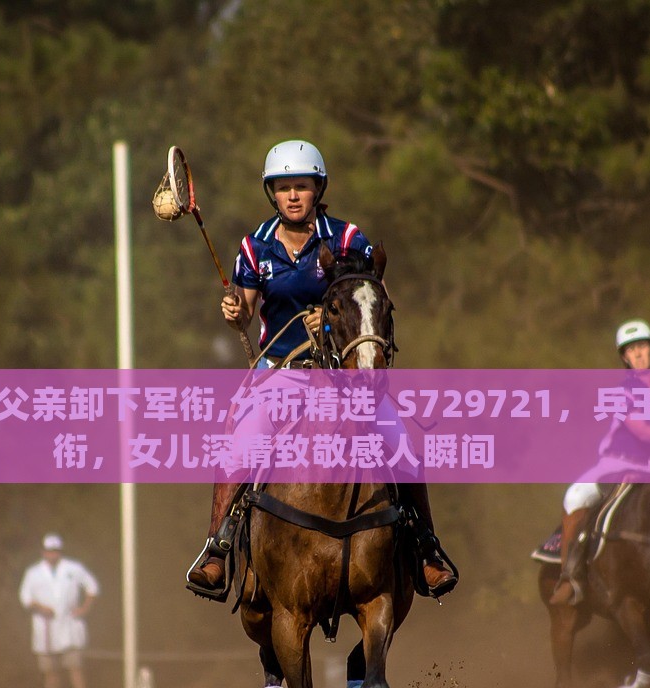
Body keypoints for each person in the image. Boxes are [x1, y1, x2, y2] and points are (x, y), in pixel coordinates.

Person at [184, 139, 455, 600]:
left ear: (318, 189)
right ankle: (218, 548)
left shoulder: (348, 239)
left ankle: (426, 548)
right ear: (272, 193)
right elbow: (247, 312)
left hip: (343, 374)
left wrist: (329, 318)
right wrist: (234, 312)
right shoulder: (254, 248)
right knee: (239, 441)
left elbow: (374, 298)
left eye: (302, 187)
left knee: (401, 441)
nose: (293, 195)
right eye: (284, 187)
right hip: (281, 372)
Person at [545, 319, 650, 606]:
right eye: (632, 350)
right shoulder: (622, 392)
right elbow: (640, 429)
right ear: (624, 358)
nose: (639, 354)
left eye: (642, 347)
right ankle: (570, 576)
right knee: (575, 496)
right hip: (619, 464)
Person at [19, 533, 99, 688]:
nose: (52, 554)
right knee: (50, 667)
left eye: (55, 551)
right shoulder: (33, 573)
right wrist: (41, 608)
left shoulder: (74, 568)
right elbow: (25, 598)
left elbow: (92, 587)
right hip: (45, 625)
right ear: (43, 552)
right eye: (49, 551)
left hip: (69, 624)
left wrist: (84, 608)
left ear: (60, 552)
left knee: (75, 664)